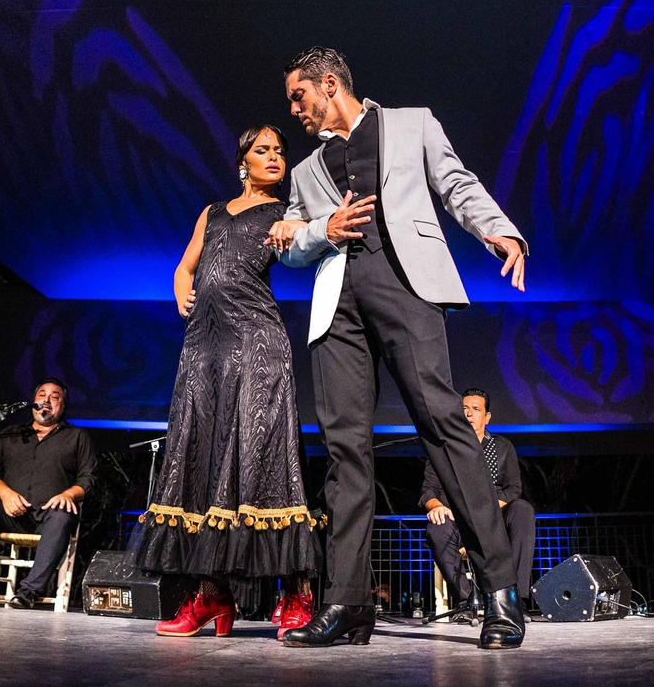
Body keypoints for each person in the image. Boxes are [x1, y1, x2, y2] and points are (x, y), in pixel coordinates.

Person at [265, 46, 530, 649]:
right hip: (338, 303)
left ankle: (500, 592)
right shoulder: (306, 171)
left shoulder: (412, 123)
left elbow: (455, 182)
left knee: (443, 426)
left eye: (298, 97)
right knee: (345, 449)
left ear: (328, 84)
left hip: (406, 285)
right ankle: (347, 603)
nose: (294, 110)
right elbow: (293, 245)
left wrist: (497, 229)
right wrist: (320, 229)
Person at [127, 125, 322, 637]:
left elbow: (309, 238)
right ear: (243, 161)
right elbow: (184, 266)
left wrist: (298, 225)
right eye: (263, 150)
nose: (274, 157)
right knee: (203, 457)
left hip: (256, 342)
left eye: (280, 151)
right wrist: (181, 288)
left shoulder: (286, 209)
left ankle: (296, 595)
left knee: (264, 456)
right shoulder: (213, 212)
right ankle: (212, 597)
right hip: (204, 348)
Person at [0, 379, 94, 609]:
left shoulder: (77, 437)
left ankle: (30, 591)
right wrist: (6, 494)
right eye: (42, 395)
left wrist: (68, 495)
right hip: (11, 514)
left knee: (62, 513)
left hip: (49, 517)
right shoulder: (10, 435)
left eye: (54, 397)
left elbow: (88, 479)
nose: (46, 401)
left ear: (63, 406)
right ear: (33, 402)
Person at [422, 388, 536, 618]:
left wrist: (491, 510)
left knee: (523, 510)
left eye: (475, 409)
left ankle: (515, 599)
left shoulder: (502, 447)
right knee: (437, 528)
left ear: (487, 417)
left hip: (494, 518)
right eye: (464, 409)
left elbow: (513, 489)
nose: (469, 414)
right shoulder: (443, 450)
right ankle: (466, 600)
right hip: (458, 518)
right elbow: (428, 491)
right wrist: (436, 506)